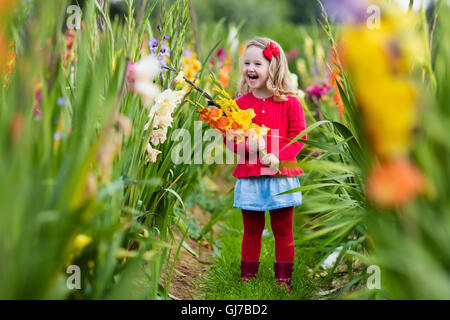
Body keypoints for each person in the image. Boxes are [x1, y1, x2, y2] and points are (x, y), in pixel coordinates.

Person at [223, 37, 307, 293]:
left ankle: (283, 280)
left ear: (274, 67)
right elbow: (229, 138)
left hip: (280, 176)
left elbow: (299, 136)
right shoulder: (238, 106)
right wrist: (242, 147)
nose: (250, 68)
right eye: (246, 63)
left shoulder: (289, 102)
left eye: (257, 63)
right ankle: (247, 276)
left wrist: (279, 157)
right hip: (250, 176)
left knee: (282, 229)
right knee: (251, 229)